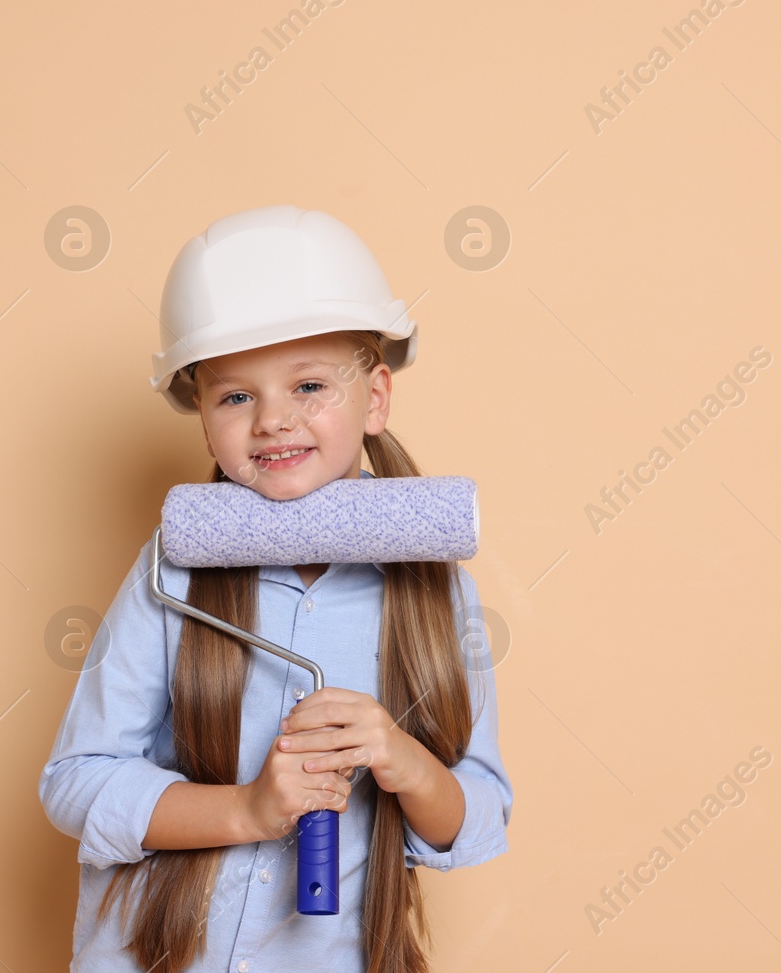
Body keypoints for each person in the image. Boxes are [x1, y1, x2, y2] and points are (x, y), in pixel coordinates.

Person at [39, 205, 512, 972]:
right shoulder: (175, 568)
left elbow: (478, 814)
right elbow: (76, 783)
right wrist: (250, 808)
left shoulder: (429, 590)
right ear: (200, 412)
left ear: (377, 398)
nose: (272, 421)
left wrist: (401, 758)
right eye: (235, 396)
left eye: (311, 384)